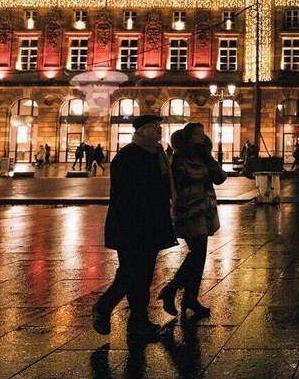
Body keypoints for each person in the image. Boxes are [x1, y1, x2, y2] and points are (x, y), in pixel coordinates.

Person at [92, 114, 178, 345]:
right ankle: (105, 306)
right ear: (141, 130)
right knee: (132, 272)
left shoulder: (157, 153)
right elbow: (126, 193)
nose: (158, 130)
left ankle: (138, 321)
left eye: (159, 126)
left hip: (151, 223)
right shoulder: (128, 155)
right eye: (153, 127)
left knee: (142, 274)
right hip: (131, 224)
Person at [159, 123, 227, 320]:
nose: (202, 137)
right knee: (197, 253)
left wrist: (208, 159)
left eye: (202, 133)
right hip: (189, 211)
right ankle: (173, 290)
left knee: (199, 255)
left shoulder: (203, 156)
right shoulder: (180, 159)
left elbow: (220, 178)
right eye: (198, 134)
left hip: (204, 211)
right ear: (189, 138)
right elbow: (176, 185)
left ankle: (189, 297)